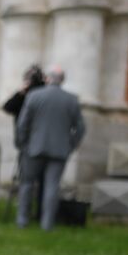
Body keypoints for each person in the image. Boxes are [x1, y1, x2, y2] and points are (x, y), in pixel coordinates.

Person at [15, 65, 86, 231]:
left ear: (48, 78)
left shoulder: (33, 96)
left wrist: (22, 143)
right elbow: (80, 128)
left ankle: (22, 220)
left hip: (34, 148)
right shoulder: (72, 99)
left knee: (26, 184)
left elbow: (22, 124)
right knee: (52, 186)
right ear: (62, 80)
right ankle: (47, 224)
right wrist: (70, 146)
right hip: (59, 150)